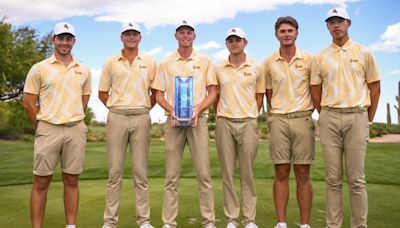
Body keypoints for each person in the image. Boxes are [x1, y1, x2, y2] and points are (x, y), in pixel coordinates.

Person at [310, 7, 380, 228]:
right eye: (331, 22)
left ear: (348, 23)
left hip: (357, 116)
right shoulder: (320, 56)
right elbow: (315, 89)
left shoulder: (364, 52)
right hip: (330, 116)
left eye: (339, 21)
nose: (335, 25)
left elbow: (375, 88)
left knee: (357, 180)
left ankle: (359, 226)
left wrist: (367, 119)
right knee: (333, 179)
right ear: (327, 26)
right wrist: (325, 115)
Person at [23, 22, 91, 228]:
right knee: (41, 182)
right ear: (54, 40)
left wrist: (72, 117)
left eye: (68, 38)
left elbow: (84, 101)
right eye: (60, 38)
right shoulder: (39, 68)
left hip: (75, 129)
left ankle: (70, 225)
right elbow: (28, 101)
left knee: (71, 180)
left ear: (74, 41)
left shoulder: (84, 69)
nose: (64, 42)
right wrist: (42, 126)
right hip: (48, 129)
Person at [151, 20, 217, 228]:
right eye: (182, 32)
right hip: (173, 123)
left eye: (189, 32)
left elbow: (213, 92)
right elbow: (158, 94)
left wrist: (197, 109)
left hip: (199, 121)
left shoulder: (205, 60)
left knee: (204, 174)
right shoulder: (166, 62)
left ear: (194, 36)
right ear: (176, 36)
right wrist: (173, 111)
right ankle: (169, 222)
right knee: (171, 175)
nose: (185, 35)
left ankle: (209, 221)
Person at [98, 22, 156, 228]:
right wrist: (116, 109)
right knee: (115, 172)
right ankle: (110, 222)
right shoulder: (111, 62)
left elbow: (155, 93)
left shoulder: (149, 61)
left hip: (141, 116)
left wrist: (144, 108)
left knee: (140, 172)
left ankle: (144, 221)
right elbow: (102, 93)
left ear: (140, 37)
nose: (131, 37)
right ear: (121, 37)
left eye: (135, 34)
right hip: (117, 117)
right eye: (127, 34)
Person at [263, 16, 315, 228]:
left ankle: (304, 224)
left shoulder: (310, 60)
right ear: (276, 34)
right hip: (279, 120)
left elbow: (315, 89)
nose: (286, 34)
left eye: (290, 30)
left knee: (303, 173)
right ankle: (281, 223)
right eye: (282, 31)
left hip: (302, 118)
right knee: (281, 171)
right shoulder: (268, 62)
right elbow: (269, 93)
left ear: (297, 33)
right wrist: (276, 116)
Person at [214, 27, 264, 228]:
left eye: (238, 40)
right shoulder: (218, 68)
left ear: (245, 42)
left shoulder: (256, 67)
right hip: (224, 121)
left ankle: (249, 219)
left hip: (248, 122)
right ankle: (232, 219)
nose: (234, 43)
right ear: (227, 43)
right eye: (231, 40)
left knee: (247, 173)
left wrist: (251, 115)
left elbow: (260, 96)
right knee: (227, 173)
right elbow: (215, 95)